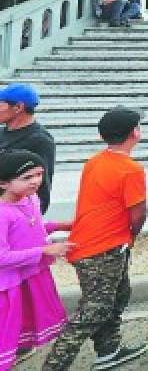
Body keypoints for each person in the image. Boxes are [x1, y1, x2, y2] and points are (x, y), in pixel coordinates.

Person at [43, 107, 148, 370]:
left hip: (93, 243)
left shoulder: (94, 162)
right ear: (135, 132)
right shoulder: (131, 170)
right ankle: (54, 366)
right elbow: (138, 214)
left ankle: (108, 351)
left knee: (118, 296)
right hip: (104, 248)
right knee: (95, 310)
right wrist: (131, 236)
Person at [0, 151, 70, 370]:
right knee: (6, 330)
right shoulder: (2, 213)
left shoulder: (32, 198)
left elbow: (32, 227)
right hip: (9, 283)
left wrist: (60, 226)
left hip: (30, 276)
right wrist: (45, 250)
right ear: (3, 183)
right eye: (27, 177)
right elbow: (2, 257)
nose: (36, 181)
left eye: (39, 174)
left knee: (19, 328)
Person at [0, 83, 56, 214]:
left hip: (15, 215)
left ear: (18, 107)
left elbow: (41, 185)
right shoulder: (2, 133)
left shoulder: (39, 140)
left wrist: (32, 219)